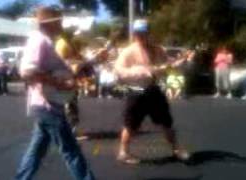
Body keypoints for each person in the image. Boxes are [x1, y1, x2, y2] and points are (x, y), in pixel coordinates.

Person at [15, 7, 95, 180]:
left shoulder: (46, 41)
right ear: (50, 23)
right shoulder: (40, 41)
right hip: (47, 105)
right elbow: (27, 70)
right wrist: (59, 83)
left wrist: (73, 74)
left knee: (36, 151)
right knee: (71, 150)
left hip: (46, 104)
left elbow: (54, 70)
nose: (61, 24)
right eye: (59, 21)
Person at [114, 19, 189, 164]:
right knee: (131, 124)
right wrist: (140, 72)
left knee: (167, 122)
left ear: (149, 33)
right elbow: (118, 71)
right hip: (136, 92)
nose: (141, 36)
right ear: (134, 34)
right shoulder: (128, 52)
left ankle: (176, 150)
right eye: (139, 33)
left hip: (154, 91)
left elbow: (167, 65)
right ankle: (123, 153)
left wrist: (178, 63)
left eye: (144, 33)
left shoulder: (158, 49)